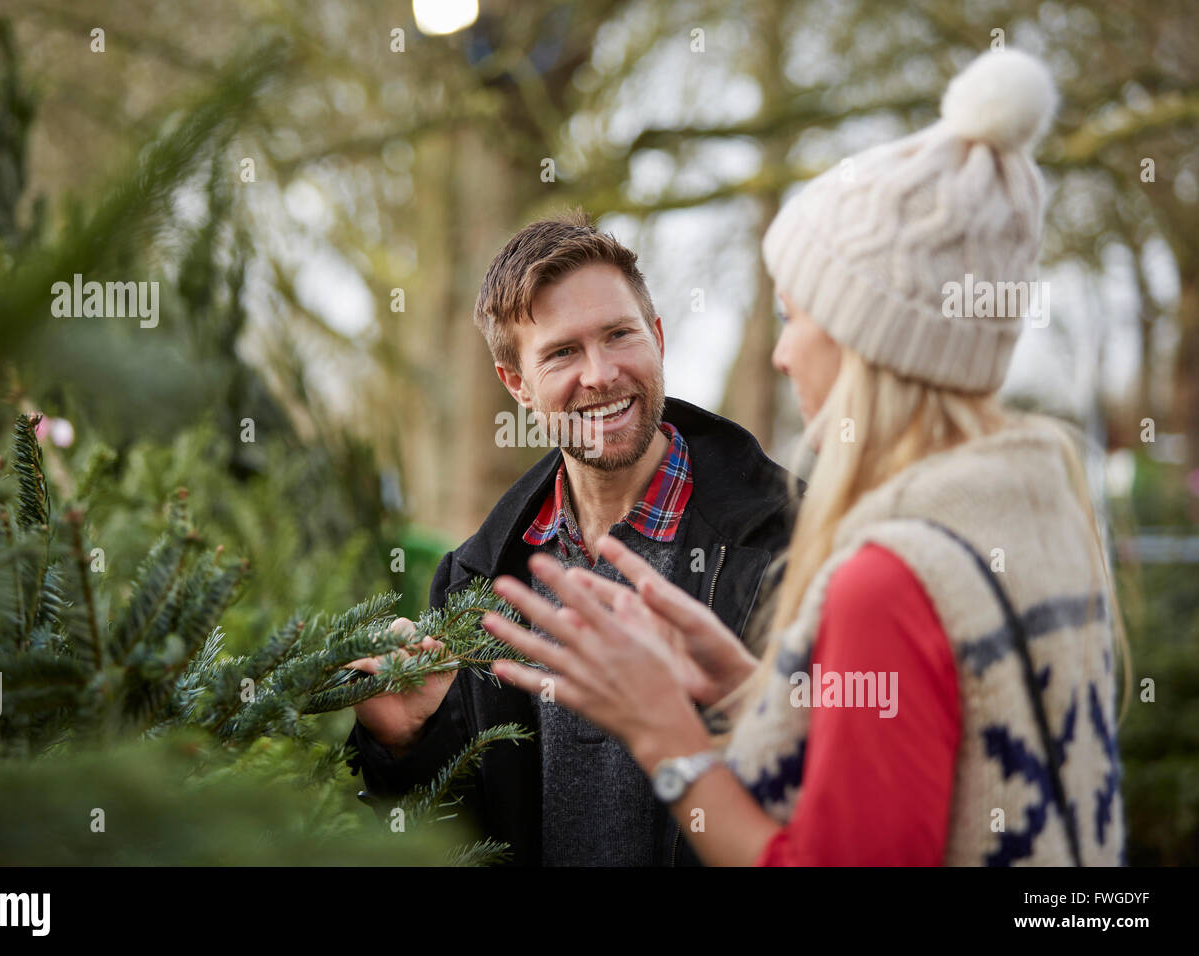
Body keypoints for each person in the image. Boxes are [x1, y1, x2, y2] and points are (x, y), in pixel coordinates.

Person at [480, 48, 1129, 866]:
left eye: (794, 315)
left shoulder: (884, 578)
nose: (782, 355)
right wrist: (758, 694)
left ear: (867, 339)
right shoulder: (1040, 514)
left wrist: (666, 736)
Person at [345, 211, 798, 866]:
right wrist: (409, 746)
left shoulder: (792, 545)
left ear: (658, 338)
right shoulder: (476, 581)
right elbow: (463, 833)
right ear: (516, 386)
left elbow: (842, 799)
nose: (601, 374)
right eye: (562, 352)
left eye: (619, 335)